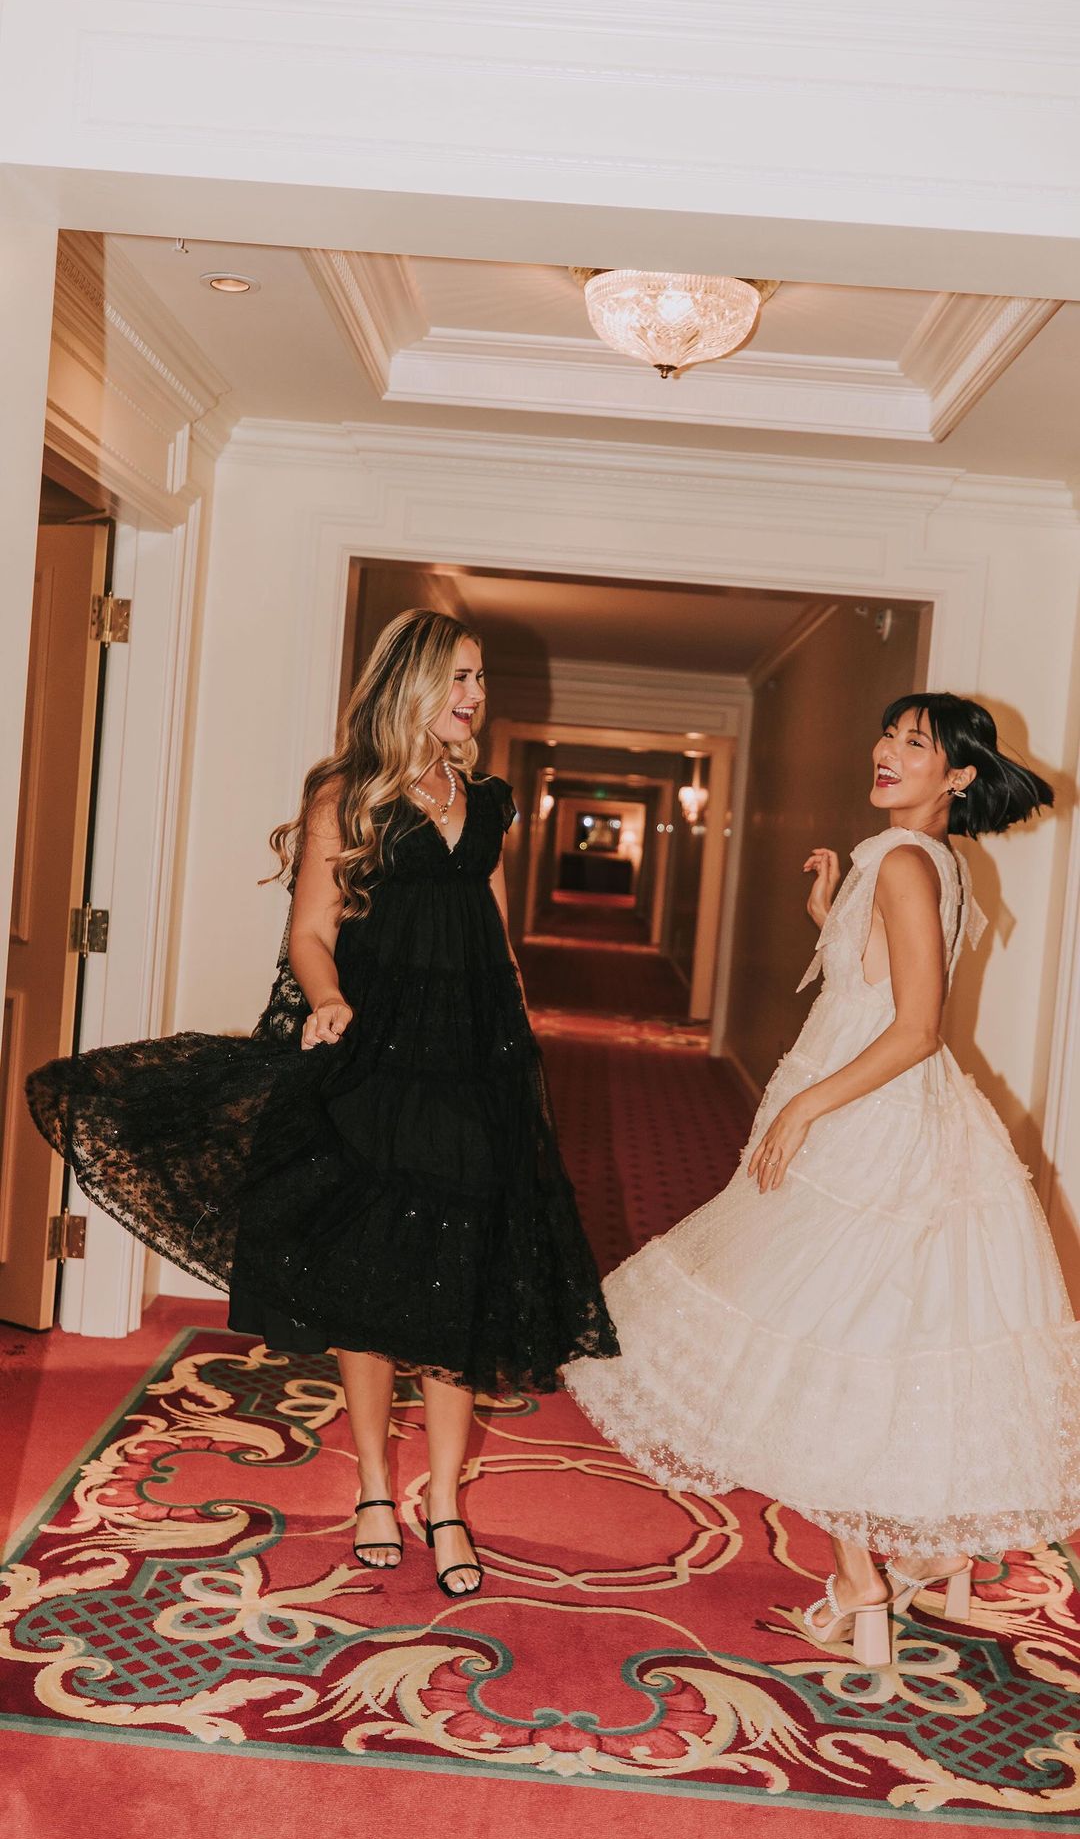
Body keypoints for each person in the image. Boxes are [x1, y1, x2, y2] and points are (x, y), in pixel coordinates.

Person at [27, 608, 618, 1597]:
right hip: (374, 1055)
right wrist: (331, 999)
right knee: (371, 1278)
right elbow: (311, 930)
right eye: (459, 676)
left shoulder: (486, 799)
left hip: (474, 1063)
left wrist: (518, 1033)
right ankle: (377, 1487)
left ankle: (446, 1503)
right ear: (410, 682)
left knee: (459, 1279)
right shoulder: (347, 796)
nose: (475, 695)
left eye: (480, 678)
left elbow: (492, 927)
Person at [564, 693, 1080, 1666]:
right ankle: (920, 1554)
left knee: (814, 1336)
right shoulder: (923, 860)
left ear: (959, 775)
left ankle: (860, 1577)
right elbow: (874, 986)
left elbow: (916, 1027)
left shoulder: (902, 862)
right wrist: (829, 915)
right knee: (872, 1335)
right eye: (888, 733)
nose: (886, 750)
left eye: (915, 743)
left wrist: (805, 1106)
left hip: (864, 1124)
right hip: (887, 1114)